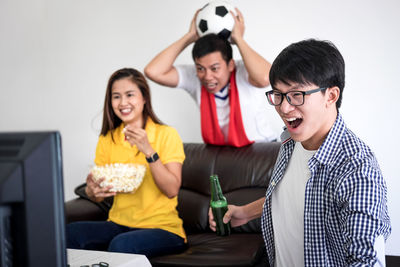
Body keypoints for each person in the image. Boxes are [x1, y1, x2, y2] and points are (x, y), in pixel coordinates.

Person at [208, 39, 391, 266]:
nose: (284, 108)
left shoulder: (357, 170)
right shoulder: (291, 140)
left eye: (297, 95)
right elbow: (291, 197)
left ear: (331, 96)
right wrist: (244, 212)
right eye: (278, 94)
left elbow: (366, 261)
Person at [67, 68, 187, 258]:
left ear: (144, 98)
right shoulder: (108, 139)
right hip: (118, 223)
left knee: (121, 245)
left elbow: (171, 189)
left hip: (163, 228)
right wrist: (93, 191)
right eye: (116, 97)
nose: (123, 103)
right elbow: (101, 194)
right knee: (70, 233)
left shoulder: (166, 134)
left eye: (130, 95)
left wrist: (148, 150)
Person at [144, 8, 279, 147]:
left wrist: (238, 39)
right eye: (201, 68)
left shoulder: (244, 71)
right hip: (224, 154)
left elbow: (265, 78)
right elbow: (153, 71)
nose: (207, 77)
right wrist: (189, 36)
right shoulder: (195, 77)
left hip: (262, 148)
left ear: (230, 65)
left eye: (215, 68)